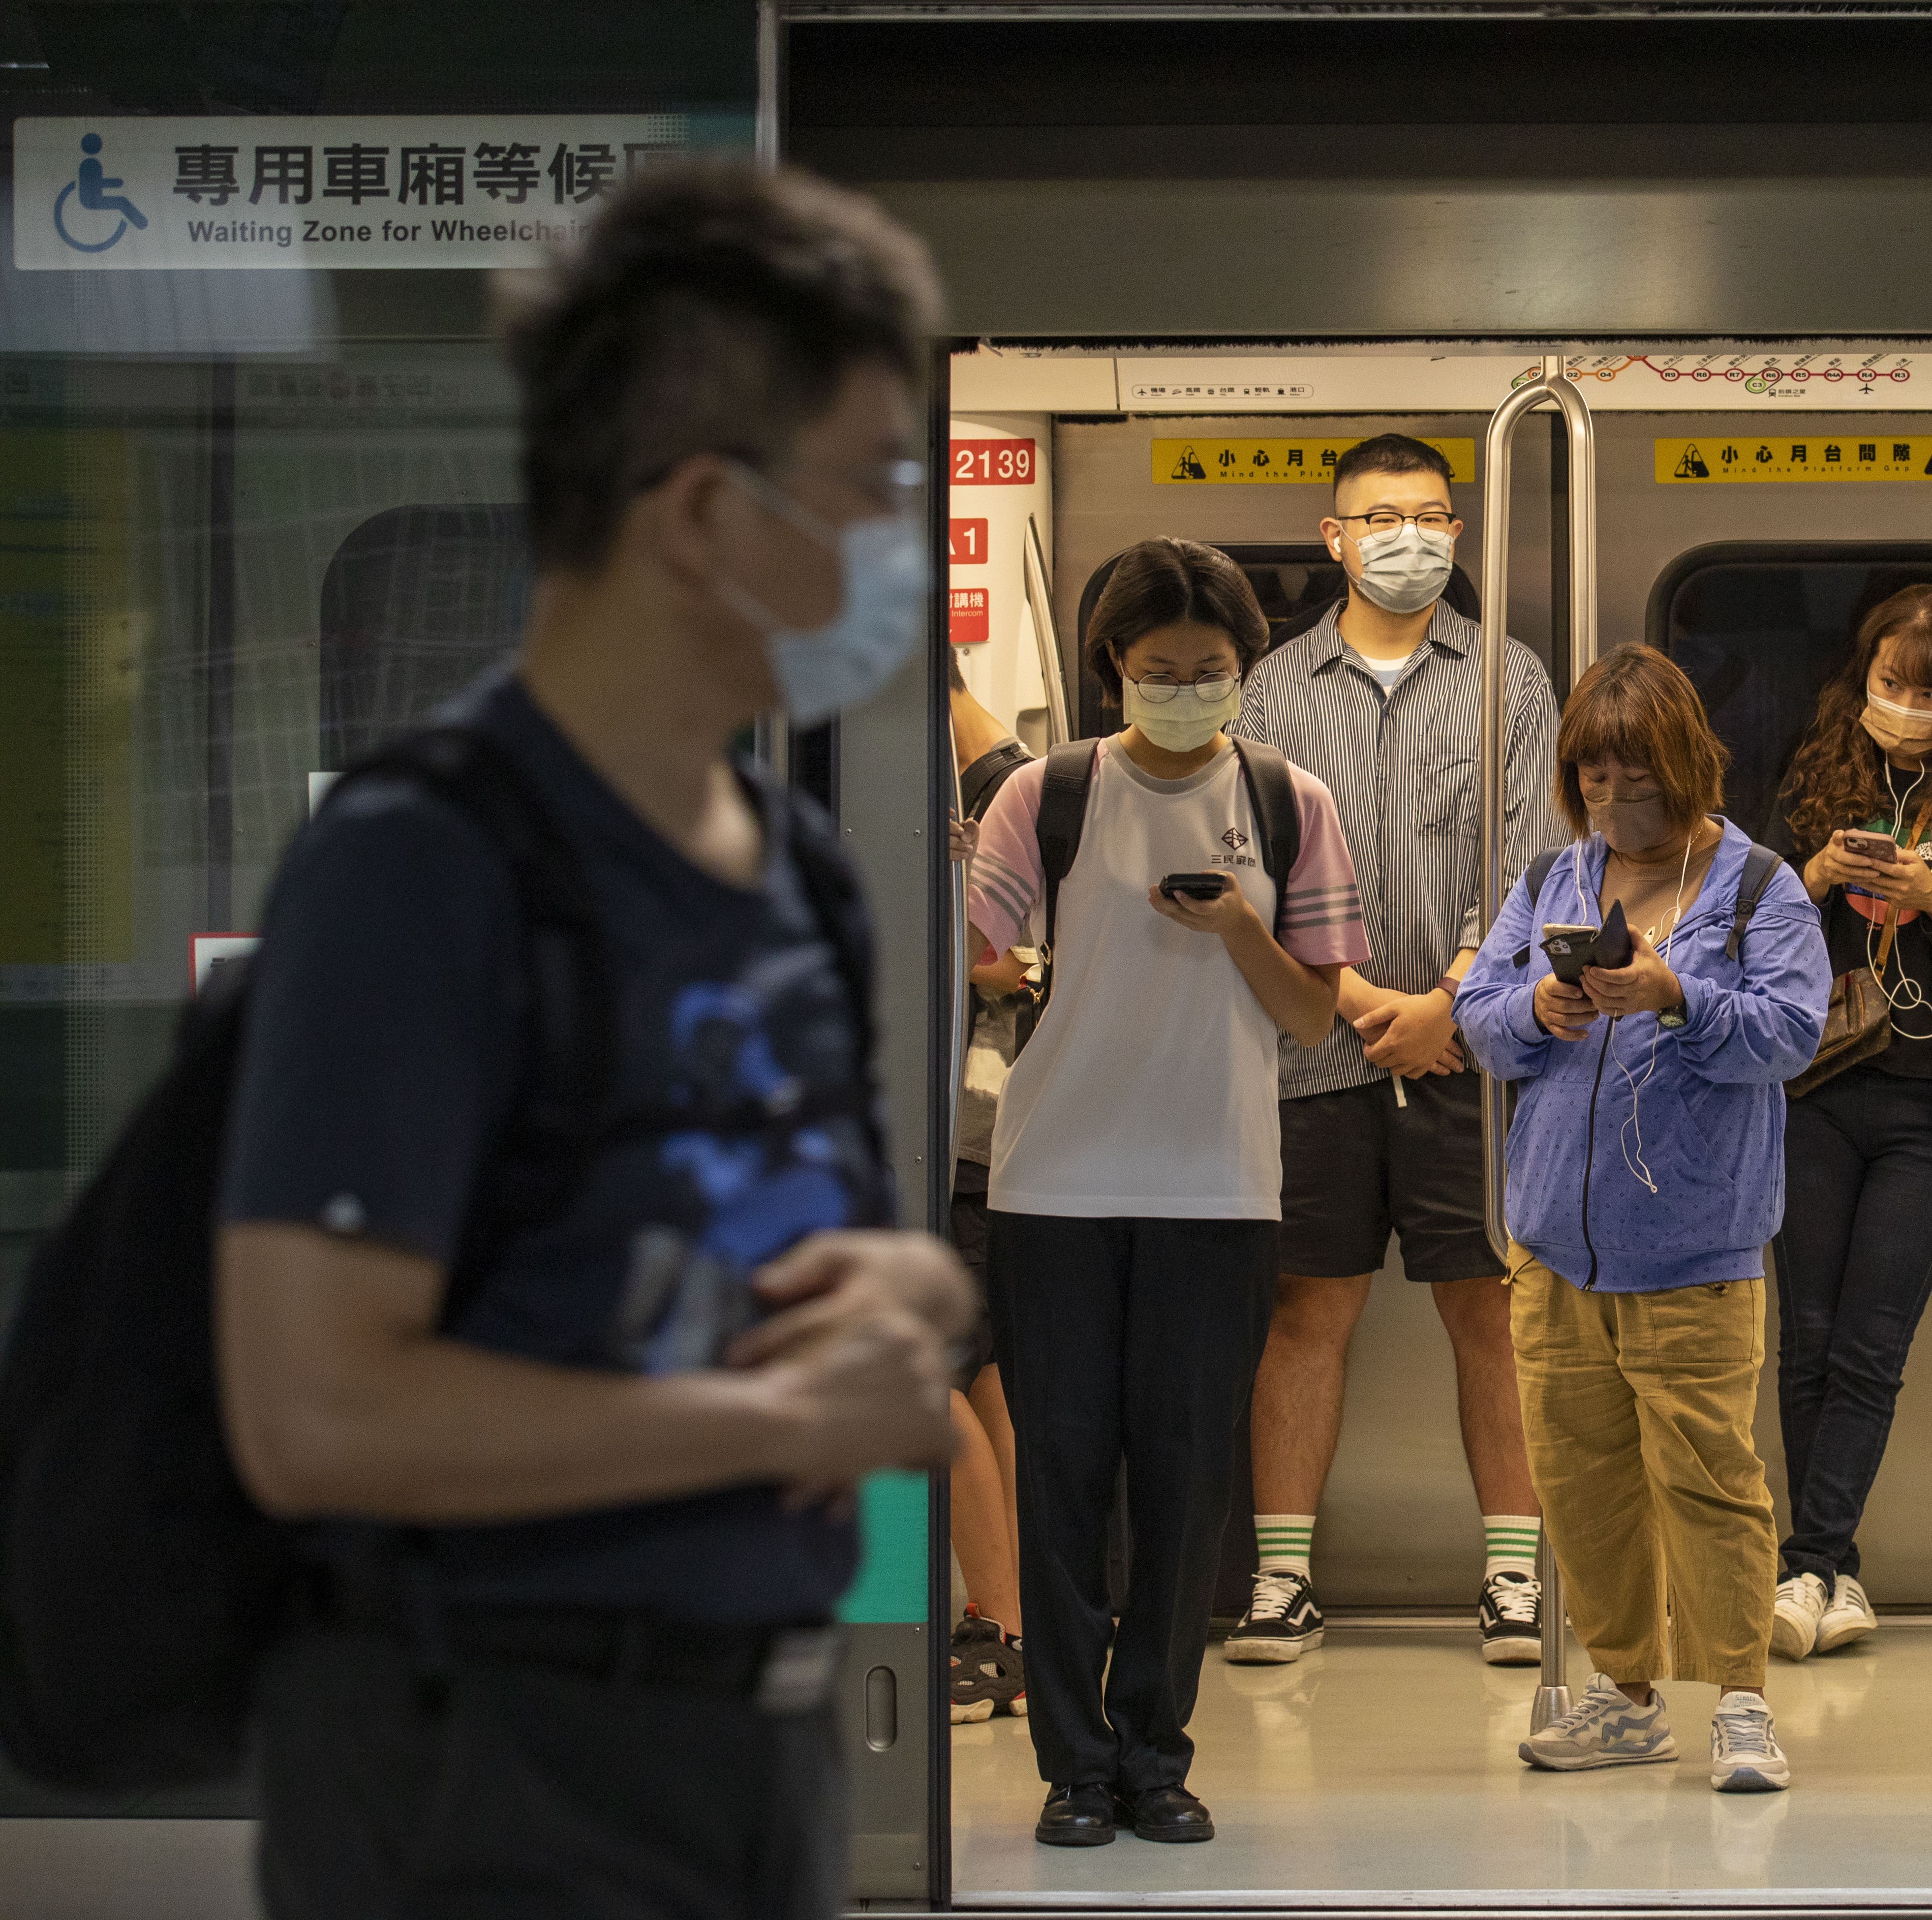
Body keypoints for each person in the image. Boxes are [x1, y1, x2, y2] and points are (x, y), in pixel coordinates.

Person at [214, 163, 971, 1919]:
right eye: (873, 490)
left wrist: (911, 1297)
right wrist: (770, 1410)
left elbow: (816, 1242)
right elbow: (316, 1411)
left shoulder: (792, 863)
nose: (900, 545)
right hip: (490, 1755)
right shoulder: (425, 865)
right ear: (704, 513)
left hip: (754, 1747)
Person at [962, 537, 1370, 1848]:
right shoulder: (1050, 793)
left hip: (1219, 1182)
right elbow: (976, 957)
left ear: (1244, 669)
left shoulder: (1290, 799)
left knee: (1191, 1491)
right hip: (1055, 1183)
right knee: (1066, 1479)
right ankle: (1073, 1764)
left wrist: (1236, 922)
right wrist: (1004, 951)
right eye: (1158, 671)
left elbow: (1316, 1013)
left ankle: (1158, 1753)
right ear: (1113, 673)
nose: (1185, 690)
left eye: (1208, 670)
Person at [1453, 644, 1828, 1796]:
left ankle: (1742, 1700)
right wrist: (1539, 1006)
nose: (1618, 801)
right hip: (1553, 1247)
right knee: (1583, 1482)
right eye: (1596, 778)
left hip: (1696, 1251)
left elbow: (1789, 1034)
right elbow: (1477, 1017)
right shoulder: (1550, 882)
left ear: (1690, 768)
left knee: (1713, 1477)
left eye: (1640, 777)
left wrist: (1677, 995)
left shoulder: (1760, 887)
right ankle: (1625, 1694)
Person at [1223, 433, 1562, 1669]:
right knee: (1305, 1306)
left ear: (1458, 534)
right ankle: (1282, 1579)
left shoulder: (1510, 681)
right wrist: (1356, 994)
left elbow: (1535, 858)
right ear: (1334, 537)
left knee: (1492, 1305)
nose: (1404, 537)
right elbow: (1252, 860)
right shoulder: (1265, 689)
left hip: (1468, 1051)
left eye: (1427, 516)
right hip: (1312, 1050)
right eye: (1378, 517)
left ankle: (1515, 1581)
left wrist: (1452, 1001)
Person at [1765, 585, 1932, 1662]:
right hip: (1815, 1085)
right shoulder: (1818, 773)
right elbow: (1741, 923)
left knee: (1872, 1342)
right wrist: (1815, 876)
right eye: (1890, 682)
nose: (1905, 705)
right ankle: (1829, 1566)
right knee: (1807, 1337)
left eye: (1929, 691)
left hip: (1931, 1100)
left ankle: (1810, 1561)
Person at [944, 643, 1036, 1723]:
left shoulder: (1000, 790)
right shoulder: (1005, 783)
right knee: (985, 1379)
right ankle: (1012, 1620)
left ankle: (998, 1618)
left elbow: (1011, 959)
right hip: (985, 1131)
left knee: (943, 1382)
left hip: (960, 1119)